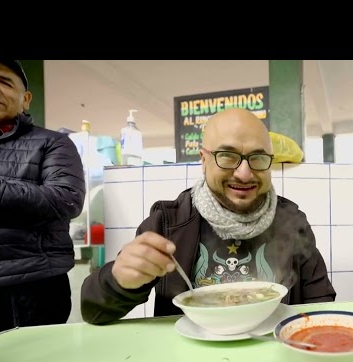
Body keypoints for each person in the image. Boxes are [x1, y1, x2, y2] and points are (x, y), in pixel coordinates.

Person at [81, 108, 335, 324]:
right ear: (204, 160)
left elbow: (320, 303)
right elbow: (94, 310)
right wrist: (119, 280)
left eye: (257, 158)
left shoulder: (291, 222)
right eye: (227, 156)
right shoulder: (168, 222)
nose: (244, 174)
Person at [0, 60, 86, 335]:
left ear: (26, 100)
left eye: (4, 82)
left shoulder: (51, 143)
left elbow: (66, 199)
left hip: (29, 287)